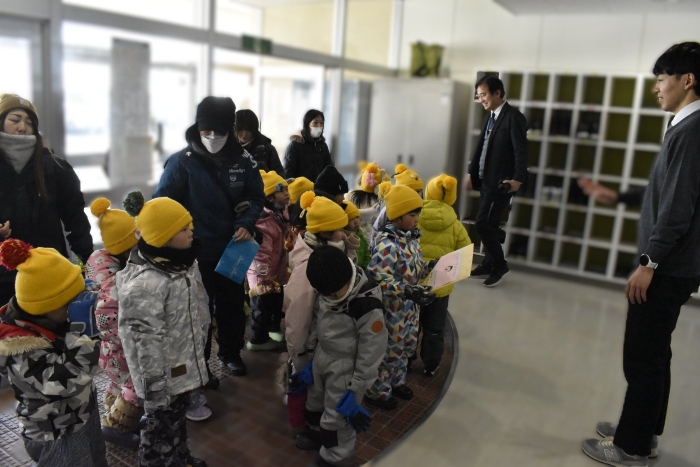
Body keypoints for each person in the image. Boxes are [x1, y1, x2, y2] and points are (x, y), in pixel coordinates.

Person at [581, 42, 700, 467]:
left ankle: (631, 446)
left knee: (642, 357)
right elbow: (665, 191)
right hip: (674, 265)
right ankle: (642, 431)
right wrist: (617, 196)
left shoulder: (691, 131)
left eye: (662, 79)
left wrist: (649, 263)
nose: (656, 88)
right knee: (655, 353)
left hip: (667, 267)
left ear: (688, 80)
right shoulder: (683, 126)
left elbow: (677, 209)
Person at [154, 96, 265, 380]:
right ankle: (199, 363)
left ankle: (230, 353)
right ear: (197, 127)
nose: (213, 136)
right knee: (197, 311)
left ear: (230, 129)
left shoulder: (244, 161)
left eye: (220, 130)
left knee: (232, 307)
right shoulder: (181, 162)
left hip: (233, 248)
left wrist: (246, 222)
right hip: (195, 251)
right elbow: (162, 204)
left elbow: (256, 196)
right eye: (207, 130)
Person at [116, 191, 209, 467]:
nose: (191, 232)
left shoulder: (182, 264)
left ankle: (180, 458)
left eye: (189, 225)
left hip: (181, 366)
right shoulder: (146, 284)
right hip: (161, 380)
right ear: (162, 238)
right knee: (158, 435)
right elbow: (142, 343)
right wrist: (154, 390)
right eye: (183, 229)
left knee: (175, 424)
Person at [0, 238, 107, 467]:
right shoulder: (19, 347)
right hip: (55, 432)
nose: (75, 305)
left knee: (97, 457)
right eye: (70, 302)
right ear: (46, 306)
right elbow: (64, 383)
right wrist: (83, 334)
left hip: (81, 413)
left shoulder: (54, 320)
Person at [294, 245, 387, 467]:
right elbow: (317, 321)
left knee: (337, 417)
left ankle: (336, 458)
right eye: (325, 294)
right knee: (315, 402)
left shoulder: (367, 305)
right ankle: (317, 435)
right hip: (322, 357)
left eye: (335, 292)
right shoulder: (328, 290)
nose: (331, 297)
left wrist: (357, 387)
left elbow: (372, 351)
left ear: (348, 278)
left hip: (345, 368)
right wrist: (310, 357)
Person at [0, 93, 93, 306]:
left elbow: (76, 221)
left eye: (29, 122)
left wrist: (90, 264)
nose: (22, 127)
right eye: (15, 120)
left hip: (48, 274)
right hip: (3, 278)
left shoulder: (55, 167)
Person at [283, 192, 350, 447]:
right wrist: (299, 354)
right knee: (302, 385)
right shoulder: (307, 269)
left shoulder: (330, 255)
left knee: (317, 388)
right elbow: (297, 317)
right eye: (339, 231)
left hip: (323, 342)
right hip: (309, 346)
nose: (344, 235)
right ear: (324, 234)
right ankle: (301, 428)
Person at [364, 182, 435, 410]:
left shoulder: (411, 240)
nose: (417, 219)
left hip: (410, 308)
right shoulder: (387, 245)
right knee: (390, 351)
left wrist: (429, 267)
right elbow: (378, 278)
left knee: (406, 347)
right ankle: (378, 391)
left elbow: (414, 269)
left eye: (417, 214)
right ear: (396, 217)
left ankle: (396, 382)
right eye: (412, 215)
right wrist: (406, 289)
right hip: (393, 309)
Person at [86, 198, 142, 449]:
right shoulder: (117, 284)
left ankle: (117, 414)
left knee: (120, 382)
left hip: (110, 351)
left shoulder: (100, 263)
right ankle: (115, 426)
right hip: (123, 348)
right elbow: (110, 321)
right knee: (136, 386)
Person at [465, 76, 528, 287]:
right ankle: (488, 264)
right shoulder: (489, 118)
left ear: (498, 93)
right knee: (490, 223)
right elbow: (481, 148)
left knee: (482, 223)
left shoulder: (514, 117)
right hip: (485, 180)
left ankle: (500, 265)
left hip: (501, 183)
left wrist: (517, 179)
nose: (481, 99)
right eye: (478, 95)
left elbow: (521, 151)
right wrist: (471, 174)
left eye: (483, 94)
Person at [418, 175, 471, 376]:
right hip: (440, 286)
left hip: (414, 283)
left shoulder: (415, 217)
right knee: (434, 329)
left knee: (411, 325)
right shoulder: (456, 225)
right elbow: (465, 257)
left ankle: (405, 361)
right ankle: (431, 365)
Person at [246, 170, 290, 351]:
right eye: (282, 190)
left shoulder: (280, 212)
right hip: (262, 273)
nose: (287, 193)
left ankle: (273, 329)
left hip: (276, 270)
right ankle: (257, 339)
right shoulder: (262, 220)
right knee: (261, 307)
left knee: (275, 301)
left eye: (287, 188)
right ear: (269, 197)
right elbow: (261, 254)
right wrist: (264, 279)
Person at [371, 163, 424, 242]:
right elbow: (376, 228)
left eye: (418, 191)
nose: (415, 195)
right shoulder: (389, 209)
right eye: (411, 191)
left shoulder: (422, 207)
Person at [284, 109, 333, 182]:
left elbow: (329, 170)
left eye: (321, 123)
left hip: (318, 188)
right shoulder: (295, 145)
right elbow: (288, 173)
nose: (319, 126)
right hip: (300, 187)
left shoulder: (323, 146)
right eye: (315, 123)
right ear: (307, 124)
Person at [235, 109, 284, 174]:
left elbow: (280, 176)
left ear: (254, 129)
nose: (244, 133)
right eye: (240, 129)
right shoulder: (229, 148)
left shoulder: (267, 149)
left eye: (248, 130)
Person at [343, 201, 370, 270]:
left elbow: (366, 253)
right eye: (351, 219)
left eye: (357, 217)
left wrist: (365, 266)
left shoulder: (361, 234)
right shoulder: (343, 237)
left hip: (362, 269)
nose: (356, 222)